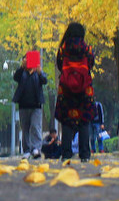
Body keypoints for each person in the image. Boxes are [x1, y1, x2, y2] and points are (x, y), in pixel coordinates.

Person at [54, 22, 96, 162]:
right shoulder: (86, 48)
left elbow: (59, 64)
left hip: (66, 89)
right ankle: (84, 154)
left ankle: (66, 153)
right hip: (85, 89)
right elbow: (91, 63)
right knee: (84, 120)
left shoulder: (63, 48)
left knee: (67, 120)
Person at [11, 57, 47, 158]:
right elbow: (15, 77)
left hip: (36, 105)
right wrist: (22, 67)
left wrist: (40, 72)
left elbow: (45, 80)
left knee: (35, 126)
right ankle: (26, 150)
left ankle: (36, 148)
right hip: (23, 105)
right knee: (25, 127)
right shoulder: (22, 73)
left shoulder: (38, 74)